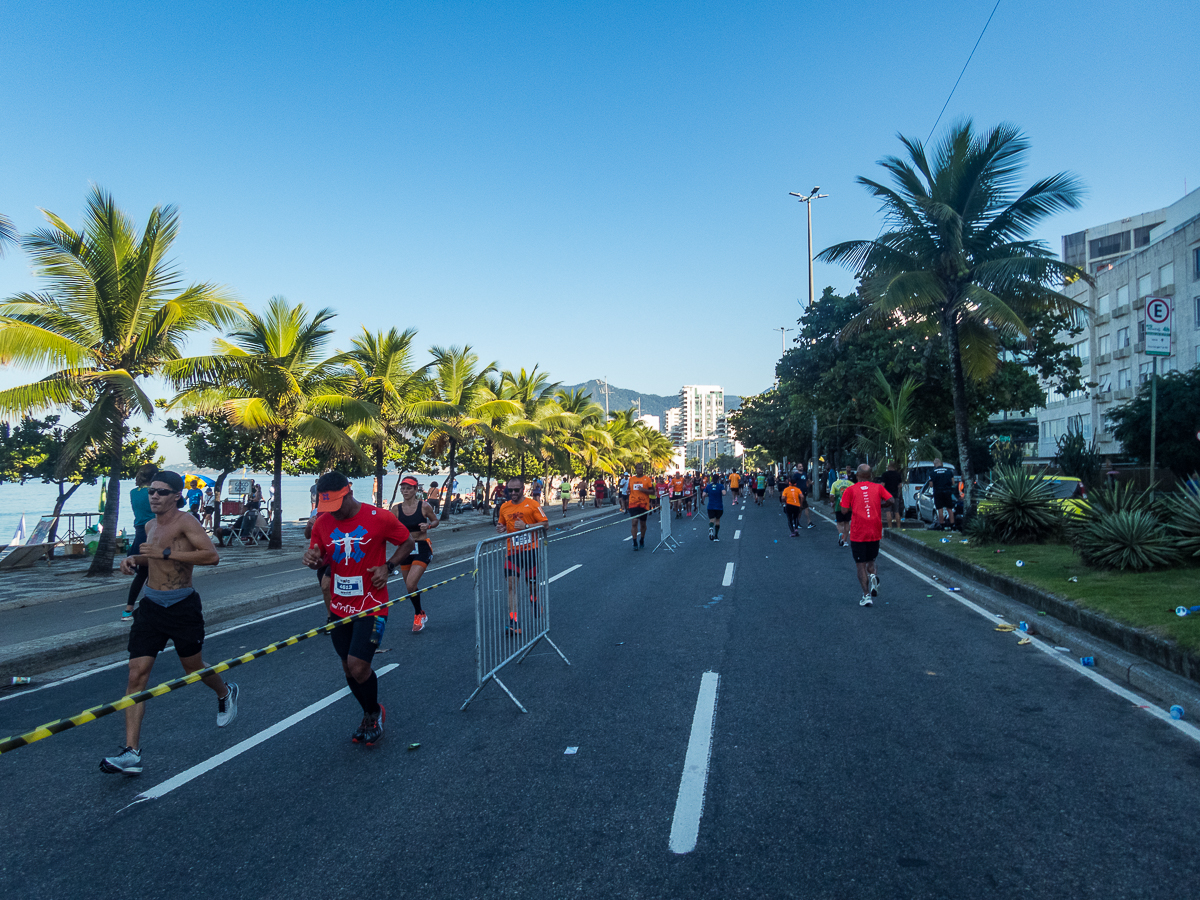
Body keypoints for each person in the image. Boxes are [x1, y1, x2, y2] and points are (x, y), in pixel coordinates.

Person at [101, 471, 238, 776]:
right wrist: (135, 560)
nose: (154, 497)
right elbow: (154, 559)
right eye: (151, 492)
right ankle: (131, 752)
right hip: (151, 606)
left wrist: (164, 552)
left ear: (176, 495)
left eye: (162, 492)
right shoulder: (149, 525)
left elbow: (211, 556)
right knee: (136, 674)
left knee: (193, 667)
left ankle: (224, 692)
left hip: (182, 605)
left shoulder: (186, 521)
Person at [304, 471, 415, 745]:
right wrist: (314, 560)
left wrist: (388, 567)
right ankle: (368, 712)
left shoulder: (380, 518)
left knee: (359, 666)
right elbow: (322, 556)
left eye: (336, 506)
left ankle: (375, 712)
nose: (333, 514)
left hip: (371, 605)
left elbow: (407, 542)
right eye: (326, 507)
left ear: (349, 492)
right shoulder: (323, 521)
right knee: (347, 668)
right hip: (340, 607)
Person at [495, 478, 548, 635]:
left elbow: (545, 524)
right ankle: (514, 622)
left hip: (530, 551)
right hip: (512, 552)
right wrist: (500, 528)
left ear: (523, 489)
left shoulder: (533, 504)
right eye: (510, 490)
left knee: (531, 584)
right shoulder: (504, 507)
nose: (513, 493)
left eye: (516, 490)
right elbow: (502, 525)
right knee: (511, 586)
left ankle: (534, 599)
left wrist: (526, 526)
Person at [390, 475, 439, 633]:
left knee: (411, 584)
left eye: (409, 488)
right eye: (403, 488)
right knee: (410, 587)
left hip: (422, 546)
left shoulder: (424, 506)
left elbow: (435, 521)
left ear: (415, 489)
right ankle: (420, 612)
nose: (405, 491)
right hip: (405, 549)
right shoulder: (396, 509)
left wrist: (428, 526)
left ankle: (418, 615)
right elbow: (389, 527)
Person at [840, 463, 892, 607]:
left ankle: (866, 595)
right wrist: (878, 505)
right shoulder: (878, 487)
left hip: (858, 532)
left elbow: (843, 510)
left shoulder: (851, 490)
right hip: (874, 531)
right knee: (871, 560)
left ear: (857, 475)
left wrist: (855, 506)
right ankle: (873, 576)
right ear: (870, 476)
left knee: (860, 565)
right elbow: (891, 500)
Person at [121, 465, 157, 621]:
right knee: (151, 572)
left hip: (139, 532)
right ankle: (133, 609)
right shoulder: (154, 493)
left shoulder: (133, 493)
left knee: (143, 574)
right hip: (153, 532)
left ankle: (129, 609)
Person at [626, 463, 654, 550]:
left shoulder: (647, 479)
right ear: (636, 469)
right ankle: (634, 542)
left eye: (642, 468)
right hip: (633, 504)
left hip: (644, 504)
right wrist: (627, 491)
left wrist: (644, 490)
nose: (640, 470)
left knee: (643, 524)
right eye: (639, 468)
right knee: (634, 522)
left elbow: (652, 492)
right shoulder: (631, 479)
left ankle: (642, 539)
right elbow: (629, 489)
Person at [923, 458, 955, 530]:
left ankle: (942, 525)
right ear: (941, 464)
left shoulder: (933, 472)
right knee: (950, 509)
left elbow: (931, 485)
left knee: (940, 509)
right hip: (947, 491)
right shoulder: (949, 471)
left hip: (938, 492)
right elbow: (953, 482)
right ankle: (952, 525)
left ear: (935, 464)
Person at [830, 470, 854, 547]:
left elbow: (831, 495)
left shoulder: (835, 484)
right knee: (847, 522)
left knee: (840, 523)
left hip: (838, 506)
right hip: (849, 506)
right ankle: (845, 540)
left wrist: (832, 502)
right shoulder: (851, 484)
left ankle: (841, 534)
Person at [882, 461, 904, 531]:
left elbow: (882, 485)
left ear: (888, 466)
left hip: (887, 496)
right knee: (896, 511)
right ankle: (898, 527)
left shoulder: (885, 474)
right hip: (895, 495)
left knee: (888, 511)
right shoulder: (898, 475)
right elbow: (900, 485)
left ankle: (890, 527)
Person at [704, 473, 726, 541]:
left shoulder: (708, 486)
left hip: (710, 506)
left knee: (711, 519)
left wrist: (709, 494)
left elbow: (704, 494)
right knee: (717, 520)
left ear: (712, 479)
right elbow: (724, 493)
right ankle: (716, 536)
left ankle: (711, 527)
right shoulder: (720, 486)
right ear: (718, 479)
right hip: (719, 506)